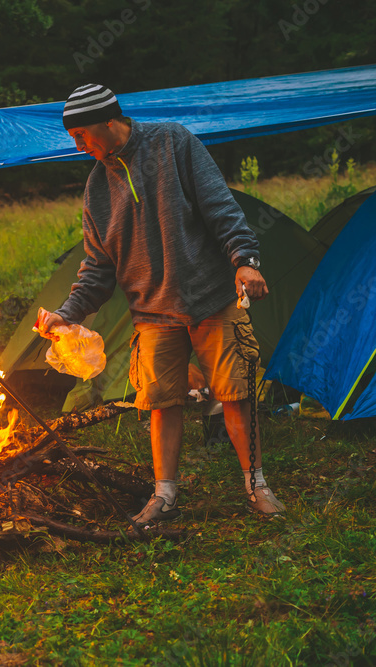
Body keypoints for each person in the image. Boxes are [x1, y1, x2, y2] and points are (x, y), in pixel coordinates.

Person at [36, 83, 286, 527]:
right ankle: (164, 496)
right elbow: (97, 267)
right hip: (153, 313)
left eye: (81, 135)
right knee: (160, 402)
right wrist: (66, 314)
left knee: (235, 394)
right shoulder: (97, 188)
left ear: (110, 122)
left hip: (211, 298)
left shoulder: (173, 142)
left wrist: (244, 261)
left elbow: (219, 207)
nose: (77, 146)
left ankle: (255, 484)